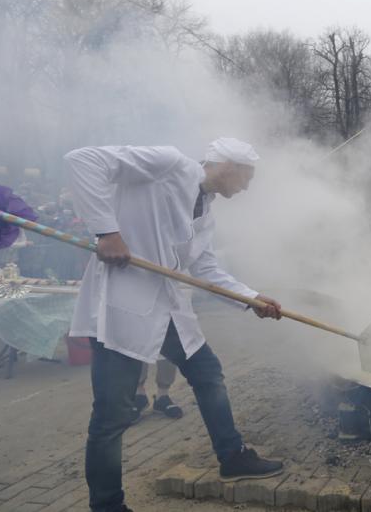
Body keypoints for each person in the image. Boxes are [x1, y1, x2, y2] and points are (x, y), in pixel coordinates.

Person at [65, 139, 285, 512]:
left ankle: (232, 457)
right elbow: (81, 158)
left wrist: (252, 299)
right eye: (247, 177)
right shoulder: (169, 164)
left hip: (167, 309)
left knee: (208, 373)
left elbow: (205, 270)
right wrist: (107, 231)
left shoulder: (206, 214)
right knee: (112, 414)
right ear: (228, 165)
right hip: (123, 308)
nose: (246, 186)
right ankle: (107, 505)